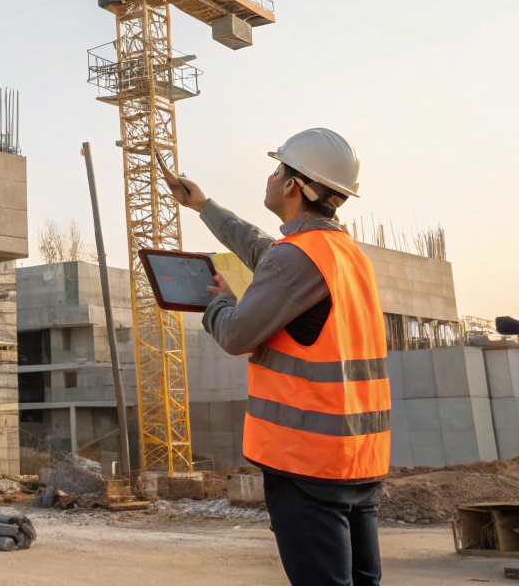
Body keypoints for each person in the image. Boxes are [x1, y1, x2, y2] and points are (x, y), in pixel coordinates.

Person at [166, 128, 389, 586]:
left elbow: (234, 335)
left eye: (276, 168)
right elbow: (261, 249)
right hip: (359, 460)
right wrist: (203, 206)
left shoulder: (297, 260)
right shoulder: (344, 255)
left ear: (291, 184)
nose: (270, 176)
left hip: (307, 464)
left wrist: (219, 302)